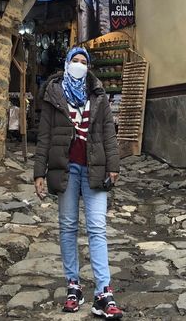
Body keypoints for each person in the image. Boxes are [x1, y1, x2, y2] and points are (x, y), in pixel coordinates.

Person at [34, 45, 123, 318]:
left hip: (94, 168)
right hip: (66, 168)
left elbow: (109, 132)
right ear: (67, 62)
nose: (80, 64)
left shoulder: (98, 94)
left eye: (84, 61)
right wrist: (39, 172)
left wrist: (114, 165)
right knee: (68, 227)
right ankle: (73, 285)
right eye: (76, 60)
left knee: (97, 228)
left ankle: (103, 293)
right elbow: (44, 136)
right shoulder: (53, 94)